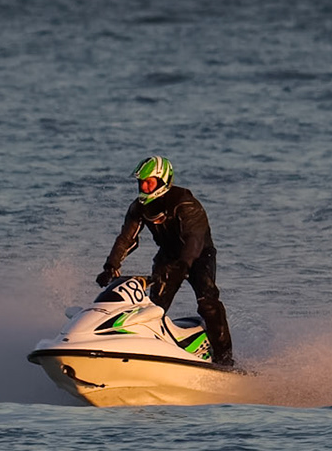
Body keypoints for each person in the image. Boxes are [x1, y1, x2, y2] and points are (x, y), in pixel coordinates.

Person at [96, 155, 234, 367]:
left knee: (208, 303)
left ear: (163, 181)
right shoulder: (138, 207)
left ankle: (225, 360)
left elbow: (194, 240)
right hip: (168, 254)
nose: (144, 186)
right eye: (141, 182)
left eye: (149, 182)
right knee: (155, 306)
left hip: (199, 255)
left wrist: (184, 264)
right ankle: (145, 348)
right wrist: (111, 266)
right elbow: (126, 239)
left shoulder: (185, 203)